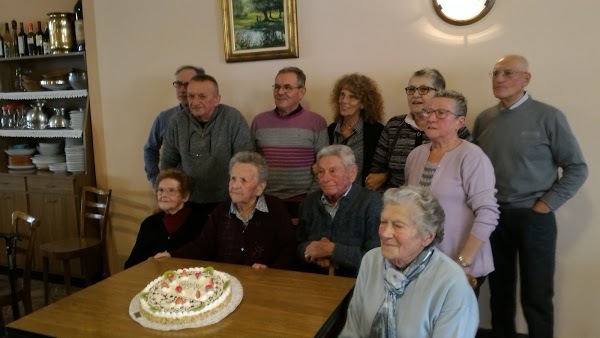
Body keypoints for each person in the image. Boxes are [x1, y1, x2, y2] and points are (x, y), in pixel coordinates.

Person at [473, 55, 588, 338]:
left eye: (508, 72)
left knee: (536, 296)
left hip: (534, 218)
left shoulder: (549, 116)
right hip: (494, 217)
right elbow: (476, 167)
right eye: (495, 72)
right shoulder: (485, 119)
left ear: (526, 78)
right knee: (499, 293)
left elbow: (577, 168)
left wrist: (544, 205)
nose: (499, 78)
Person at [339, 186, 479, 337]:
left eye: (398, 225)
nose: (385, 233)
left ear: (427, 237)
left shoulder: (452, 283)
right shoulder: (371, 261)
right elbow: (352, 330)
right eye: (383, 222)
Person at [405, 89, 499, 295]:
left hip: (460, 263)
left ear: (460, 121)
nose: (430, 117)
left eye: (440, 113)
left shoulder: (472, 157)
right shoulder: (416, 155)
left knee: (454, 326)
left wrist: (463, 262)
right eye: (428, 111)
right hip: (423, 264)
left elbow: (488, 213)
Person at [154, 151, 296, 270]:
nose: (235, 185)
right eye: (233, 178)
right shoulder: (221, 211)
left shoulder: (275, 209)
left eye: (243, 180)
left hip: (264, 282)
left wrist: (271, 271)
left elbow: (288, 249)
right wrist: (172, 255)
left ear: (260, 187)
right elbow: (202, 245)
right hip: (228, 282)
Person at [366, 68, 471, 191]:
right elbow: (376, 172)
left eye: (423, 89)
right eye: (411, 89)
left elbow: (468, 172)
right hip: (395, 203)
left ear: (440, 93)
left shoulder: (454, 127)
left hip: (437, 205)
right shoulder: (394, 126)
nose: (415, 95)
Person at [160, 74, 254, 208]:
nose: (195, 102)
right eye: (191, 96)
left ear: (217, 99)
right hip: (187, 201)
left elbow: (246, 161)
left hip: (227, 201)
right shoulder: (176, 122)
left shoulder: (232, 118)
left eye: (202, 96)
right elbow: (167, 165)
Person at [251, 67, 328, 217]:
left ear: (301, 92)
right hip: (265, 200)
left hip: (303, 201)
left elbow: (323, 167)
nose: (280, 92)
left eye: (287, 87)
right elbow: (251, 164)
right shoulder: (259, 121)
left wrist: (310, 200)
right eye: (277, 87)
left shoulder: (317, 122)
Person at [297, 145, 382, 277]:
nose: (325, 178)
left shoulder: (372, 202)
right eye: (320, 172)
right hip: (312, 282)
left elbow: (377, 259)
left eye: (332, 171)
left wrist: (332, 251)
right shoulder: (309, 202)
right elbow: (298, 245)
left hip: (355, 285)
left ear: (352, 173)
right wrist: (311, 251)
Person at [124, 169, 210, 269]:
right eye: (160, 190)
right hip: (151, 279)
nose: (163, 195)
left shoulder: (201, 221)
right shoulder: (149, 224)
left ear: (185, 196)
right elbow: (132, 263)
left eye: (171, 190)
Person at [143, 65, 205, 187]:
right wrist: (155, 180)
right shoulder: (164, 118)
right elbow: (150, 149)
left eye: (186, 85)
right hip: (175, 192)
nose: (181, 90)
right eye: (178, 84)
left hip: (210, 193)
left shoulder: (212, 117)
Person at [326, 73, 384, 185]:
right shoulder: (330, 130)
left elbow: (383, 167)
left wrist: (384, 175)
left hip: (361, 197)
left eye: (351, 97)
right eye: (342, 95)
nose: (344, 101)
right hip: (333, 194)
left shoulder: (376, 131)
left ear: (363, 104)